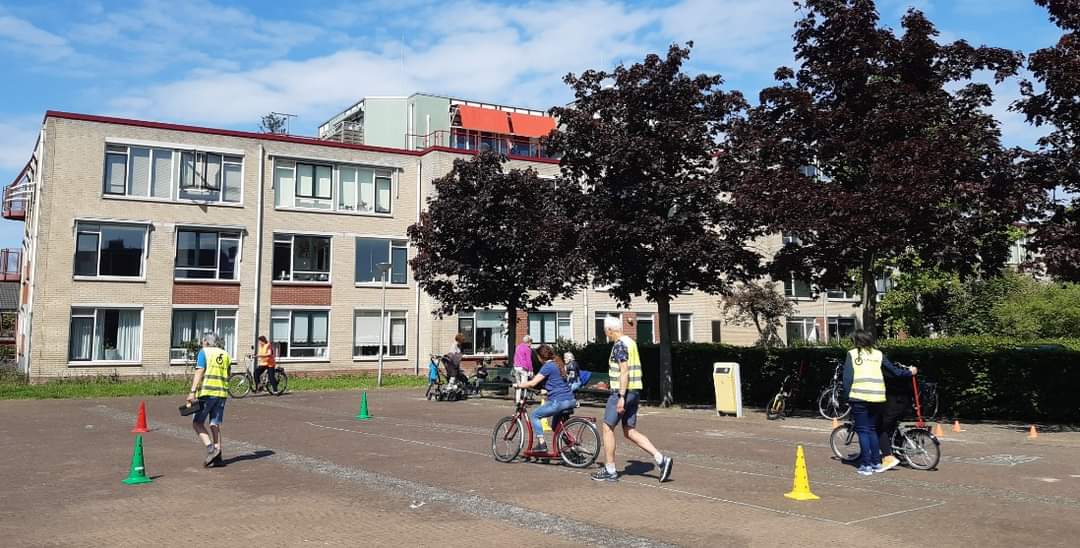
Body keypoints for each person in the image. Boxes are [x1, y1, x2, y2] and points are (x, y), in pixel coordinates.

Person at [592, 316, 673, 483]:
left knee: (607, 427)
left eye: (606, 331)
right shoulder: (631, 342)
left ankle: (610, 469)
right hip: (635, 391)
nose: (606, 334)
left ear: (610, 330)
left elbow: (624, 371)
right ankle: (661, 459)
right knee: (629, 430)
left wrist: (621, 396)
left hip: (622, 393)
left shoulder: (619, 345)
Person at [840, 329, 909, 475]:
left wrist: (846, 397)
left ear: (856, 341)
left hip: (859, 397)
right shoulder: (878, 354)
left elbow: (847, 379)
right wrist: (910, 372)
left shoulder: (852, 354)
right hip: (877, 398)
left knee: (863, 431)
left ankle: (866, 465)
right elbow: (894, 371)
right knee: (872, 430)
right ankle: (877, 463)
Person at [513, 345, 577, 453]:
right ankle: (574, 448)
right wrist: (547, 390)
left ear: (540, 357)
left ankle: (542, 444)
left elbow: (533, 382)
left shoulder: (548, 366)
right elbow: (557, 383)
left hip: (558, 402)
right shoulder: (558, 364)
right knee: (556, 426)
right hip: (570, 400)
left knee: (535, 415)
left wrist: (519, 385)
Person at [187, 333, 231, 467]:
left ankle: (211, 449)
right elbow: (228, 374)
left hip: (207, 392)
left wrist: (192, 392)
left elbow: (200, 371)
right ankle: (218, 457)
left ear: (206, 342)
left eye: (202, 341)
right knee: (214, 423)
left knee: (197, 422)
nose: (201, 343)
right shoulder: (225, 354)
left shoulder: (204, 352)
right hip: (222, 393)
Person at [878, 362, 917, 472]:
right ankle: (900, 452)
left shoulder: (884, 370)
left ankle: (887, 456)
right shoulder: (901, 369)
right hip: (906, 404)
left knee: (880, 427)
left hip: (893, 404)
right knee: (892, 425)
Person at [512, 335, 535, 402]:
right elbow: (529, 360)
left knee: (518, 385)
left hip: (516, 367)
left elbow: (515, 357)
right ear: (529, 342)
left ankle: (517, 400)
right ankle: (523, 400)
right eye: (531, 342)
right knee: (524, 384)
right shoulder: (528, 349)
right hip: (523, 368)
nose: (531, 344)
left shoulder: (518, 347)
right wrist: (531, 370)